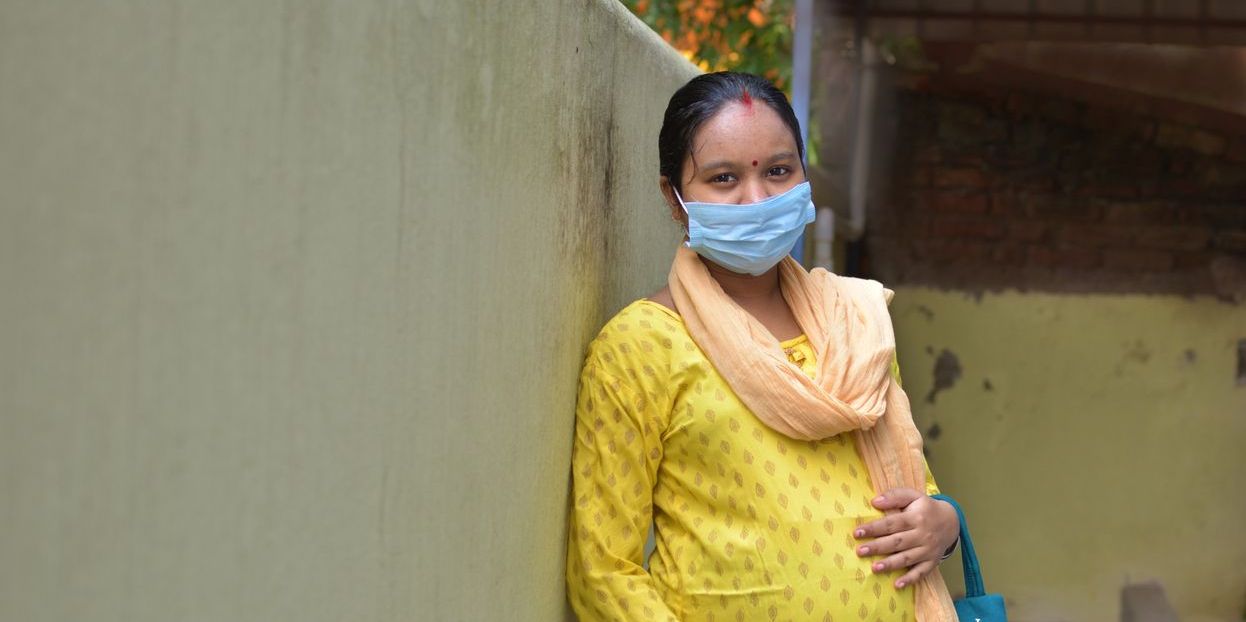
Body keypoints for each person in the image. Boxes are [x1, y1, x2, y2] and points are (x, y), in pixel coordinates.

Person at [565, 72, 960, 621]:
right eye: (723, 178)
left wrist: (943, 524)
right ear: (675, 199)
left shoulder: (856, 322)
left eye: (778, 171)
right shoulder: (640, 348)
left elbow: (915, 490)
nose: (756, 199)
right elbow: (604, 572)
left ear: (804, 176)